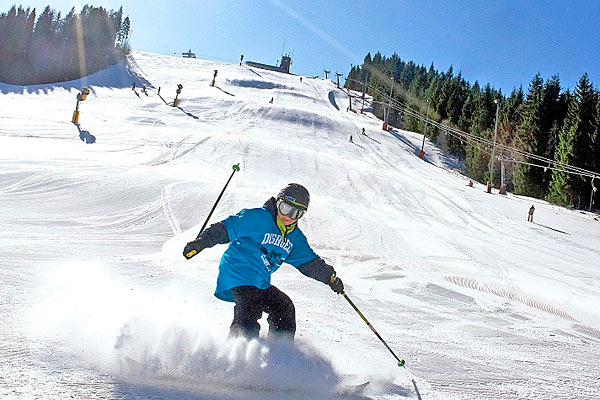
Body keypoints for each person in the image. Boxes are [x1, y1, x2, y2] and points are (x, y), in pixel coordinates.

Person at [183, 183, 344, 341]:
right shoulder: (257, 218)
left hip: (260, 282)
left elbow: (310, 263)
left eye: (296, 213)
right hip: (238, 273)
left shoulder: (295, 238)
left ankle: (279, 353)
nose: (288, 216)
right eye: (285, 208)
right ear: (277, 203)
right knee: (249, 308)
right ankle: (238, 354)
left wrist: (329, 277)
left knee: (284, 308)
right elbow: (225, 228)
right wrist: (201, 242)